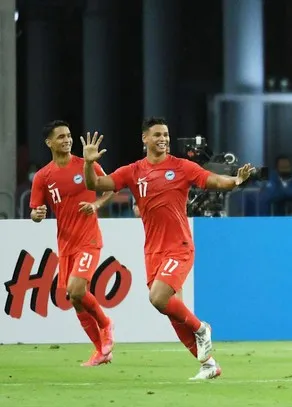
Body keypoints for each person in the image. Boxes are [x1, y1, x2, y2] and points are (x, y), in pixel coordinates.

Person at [80, 117, 255, 380]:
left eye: (166, 134)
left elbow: (212, 181)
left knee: (158, 298)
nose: (163, 138)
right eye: (158, 134)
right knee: (172, 312)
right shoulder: (132, 171)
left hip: (179, 246)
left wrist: (235, 181)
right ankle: (209, 364)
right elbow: (95, 185)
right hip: (153, 251)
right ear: (145, 139)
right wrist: (89, 162)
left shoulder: (182, 167)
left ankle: (202, 328)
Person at [30, 120, 115, 366]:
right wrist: (36, 215)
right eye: (61, 137)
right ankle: (101, 351)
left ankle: (106, 324)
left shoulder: (86, 165)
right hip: (66, 243)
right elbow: (36, 210)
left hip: (88, 239)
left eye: (68, 136)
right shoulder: (43, 177)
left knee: (77, 290)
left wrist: (96, 205)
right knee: (74, 297)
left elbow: (111, 187)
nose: (67, 140)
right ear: (49, 143)